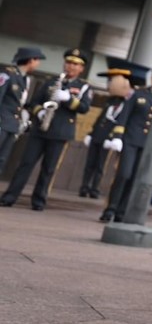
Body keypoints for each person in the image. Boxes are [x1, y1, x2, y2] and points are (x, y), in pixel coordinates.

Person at [0, 48, 92, 210]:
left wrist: (68, 99)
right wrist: (40, 112)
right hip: (40, 130)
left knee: (49, 169)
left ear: (81, 69)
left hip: (61, 132)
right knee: (25, 164)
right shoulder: (51, 82)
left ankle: (39, 201)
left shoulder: (84, 87)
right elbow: (33, 103)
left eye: (75, 64)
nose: (70, 67)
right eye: (68, 62)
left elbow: (84, 108)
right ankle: (9, 197)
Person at [100, 62, 152, 223]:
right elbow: (124, 114)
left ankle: (121, 212)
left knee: (135, 178)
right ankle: (110, 208)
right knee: (124, 174)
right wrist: (118, 136)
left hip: (147, 145)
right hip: (130, 140)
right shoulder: (138, 94)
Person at [80, 62, 135, 198]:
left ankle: (95, 188)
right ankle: (84, 186)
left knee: (101, 165)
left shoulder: (126, 103)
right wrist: (91, 133)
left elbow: (122, 121)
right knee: (89, 163)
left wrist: (112, 137)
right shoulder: (111, 101)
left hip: (109, 138)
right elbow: (101, 119)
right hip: (98, 136)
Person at [0, 46, 45, 174]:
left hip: (11, 126)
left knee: (2, 159)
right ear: (31, 60)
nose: (38, 64)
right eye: (37, 60)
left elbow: (20, 103)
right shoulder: (7, 74)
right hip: (2, 122)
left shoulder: (25, 79)